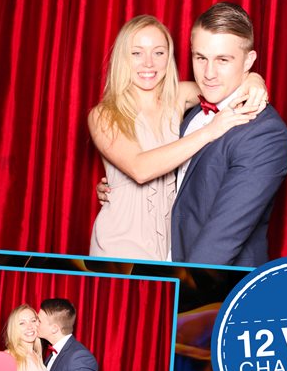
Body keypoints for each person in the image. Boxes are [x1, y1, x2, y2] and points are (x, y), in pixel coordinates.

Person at [88, 14, 268, 261]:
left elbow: (226, 85)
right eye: (137, 53)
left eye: (159, 53)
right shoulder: (103, 115)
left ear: (169, 57)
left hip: (169, 245)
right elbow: (140, 169)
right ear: (123, 57)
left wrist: (255, 79)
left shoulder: (178, 97)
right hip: (120, 241)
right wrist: (210, 131)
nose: (148, 63)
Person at [169, 2, 287, 266]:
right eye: (200, 58)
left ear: (249, 61)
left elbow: (219, 243)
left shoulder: (265, 134)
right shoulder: (192, 112)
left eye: (223, 60)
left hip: (212, 282)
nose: (208, 74)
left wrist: (185, 287)